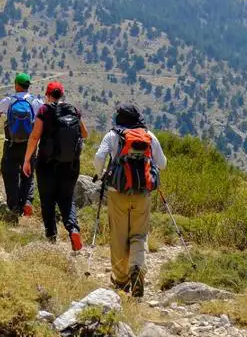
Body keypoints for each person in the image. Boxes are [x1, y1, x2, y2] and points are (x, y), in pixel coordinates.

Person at [95, 103, 167, 297]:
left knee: (118, 235)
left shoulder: (112, 135)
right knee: (139, 234)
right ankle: (137, 268)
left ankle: (120, 279)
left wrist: (100, 174)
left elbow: (99, 156)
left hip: (116, 191)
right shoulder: (149, 136)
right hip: (142, 193)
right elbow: (163, 163)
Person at [22, 82, 87, 251]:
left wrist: (27, 160)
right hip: (71, 165)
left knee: (47, 200)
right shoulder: (73, 110)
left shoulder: (44, 110)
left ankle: (51, 237)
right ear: (62, 94)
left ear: (47, 94)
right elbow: (85, 134)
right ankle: (73, 228)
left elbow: (35, 137)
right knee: (67, 198)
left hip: (47, 164)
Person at [0, 73, 42, 217]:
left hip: (11, 144)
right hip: (29, 145)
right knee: (27, 174)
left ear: (17, 84)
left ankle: (14, 206)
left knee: (9, 173)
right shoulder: (36, 102)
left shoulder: (10, 100)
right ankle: (27, 201)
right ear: (28, 86)